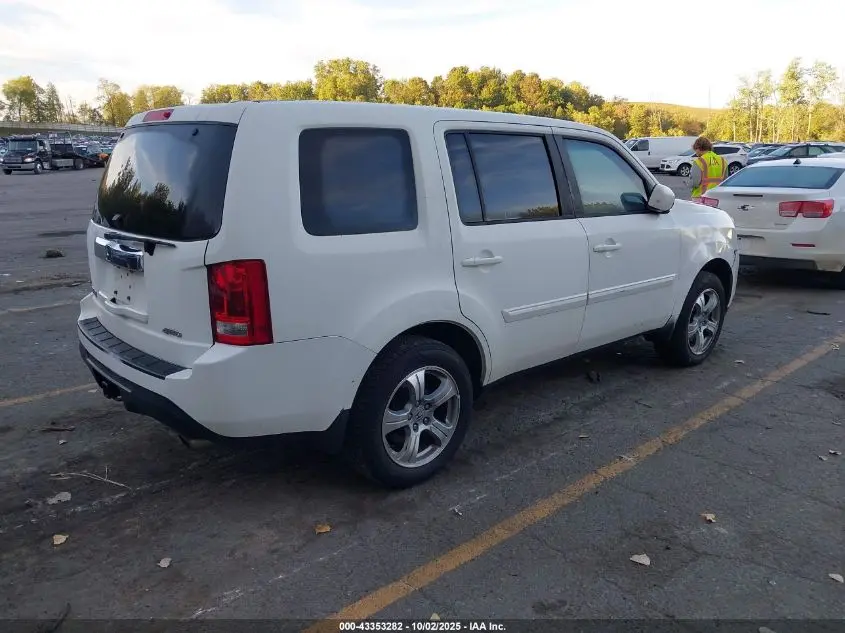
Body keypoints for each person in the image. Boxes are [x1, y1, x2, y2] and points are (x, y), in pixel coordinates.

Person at [689, 136, 727, 203]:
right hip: (717, 197)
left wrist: (689, 184)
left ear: (698, 148)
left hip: (701, 197)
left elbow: (695, 182)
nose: (696, 153)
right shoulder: (722, 160)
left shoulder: (699, 161)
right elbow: (726, 180)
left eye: (695, 150)